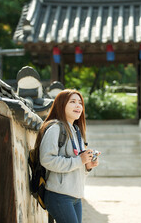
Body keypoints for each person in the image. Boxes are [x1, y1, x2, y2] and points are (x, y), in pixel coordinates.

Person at [36, 89, 99, 223]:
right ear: (61, 105)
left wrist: (87, 166)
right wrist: (79, 160)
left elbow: (77, 164)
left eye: (80, 103)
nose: (78, 106)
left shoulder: (76, 131)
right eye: (72, 102)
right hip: (59, 195)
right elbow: (46, 160)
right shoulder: (55, 129)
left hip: (76, 197)